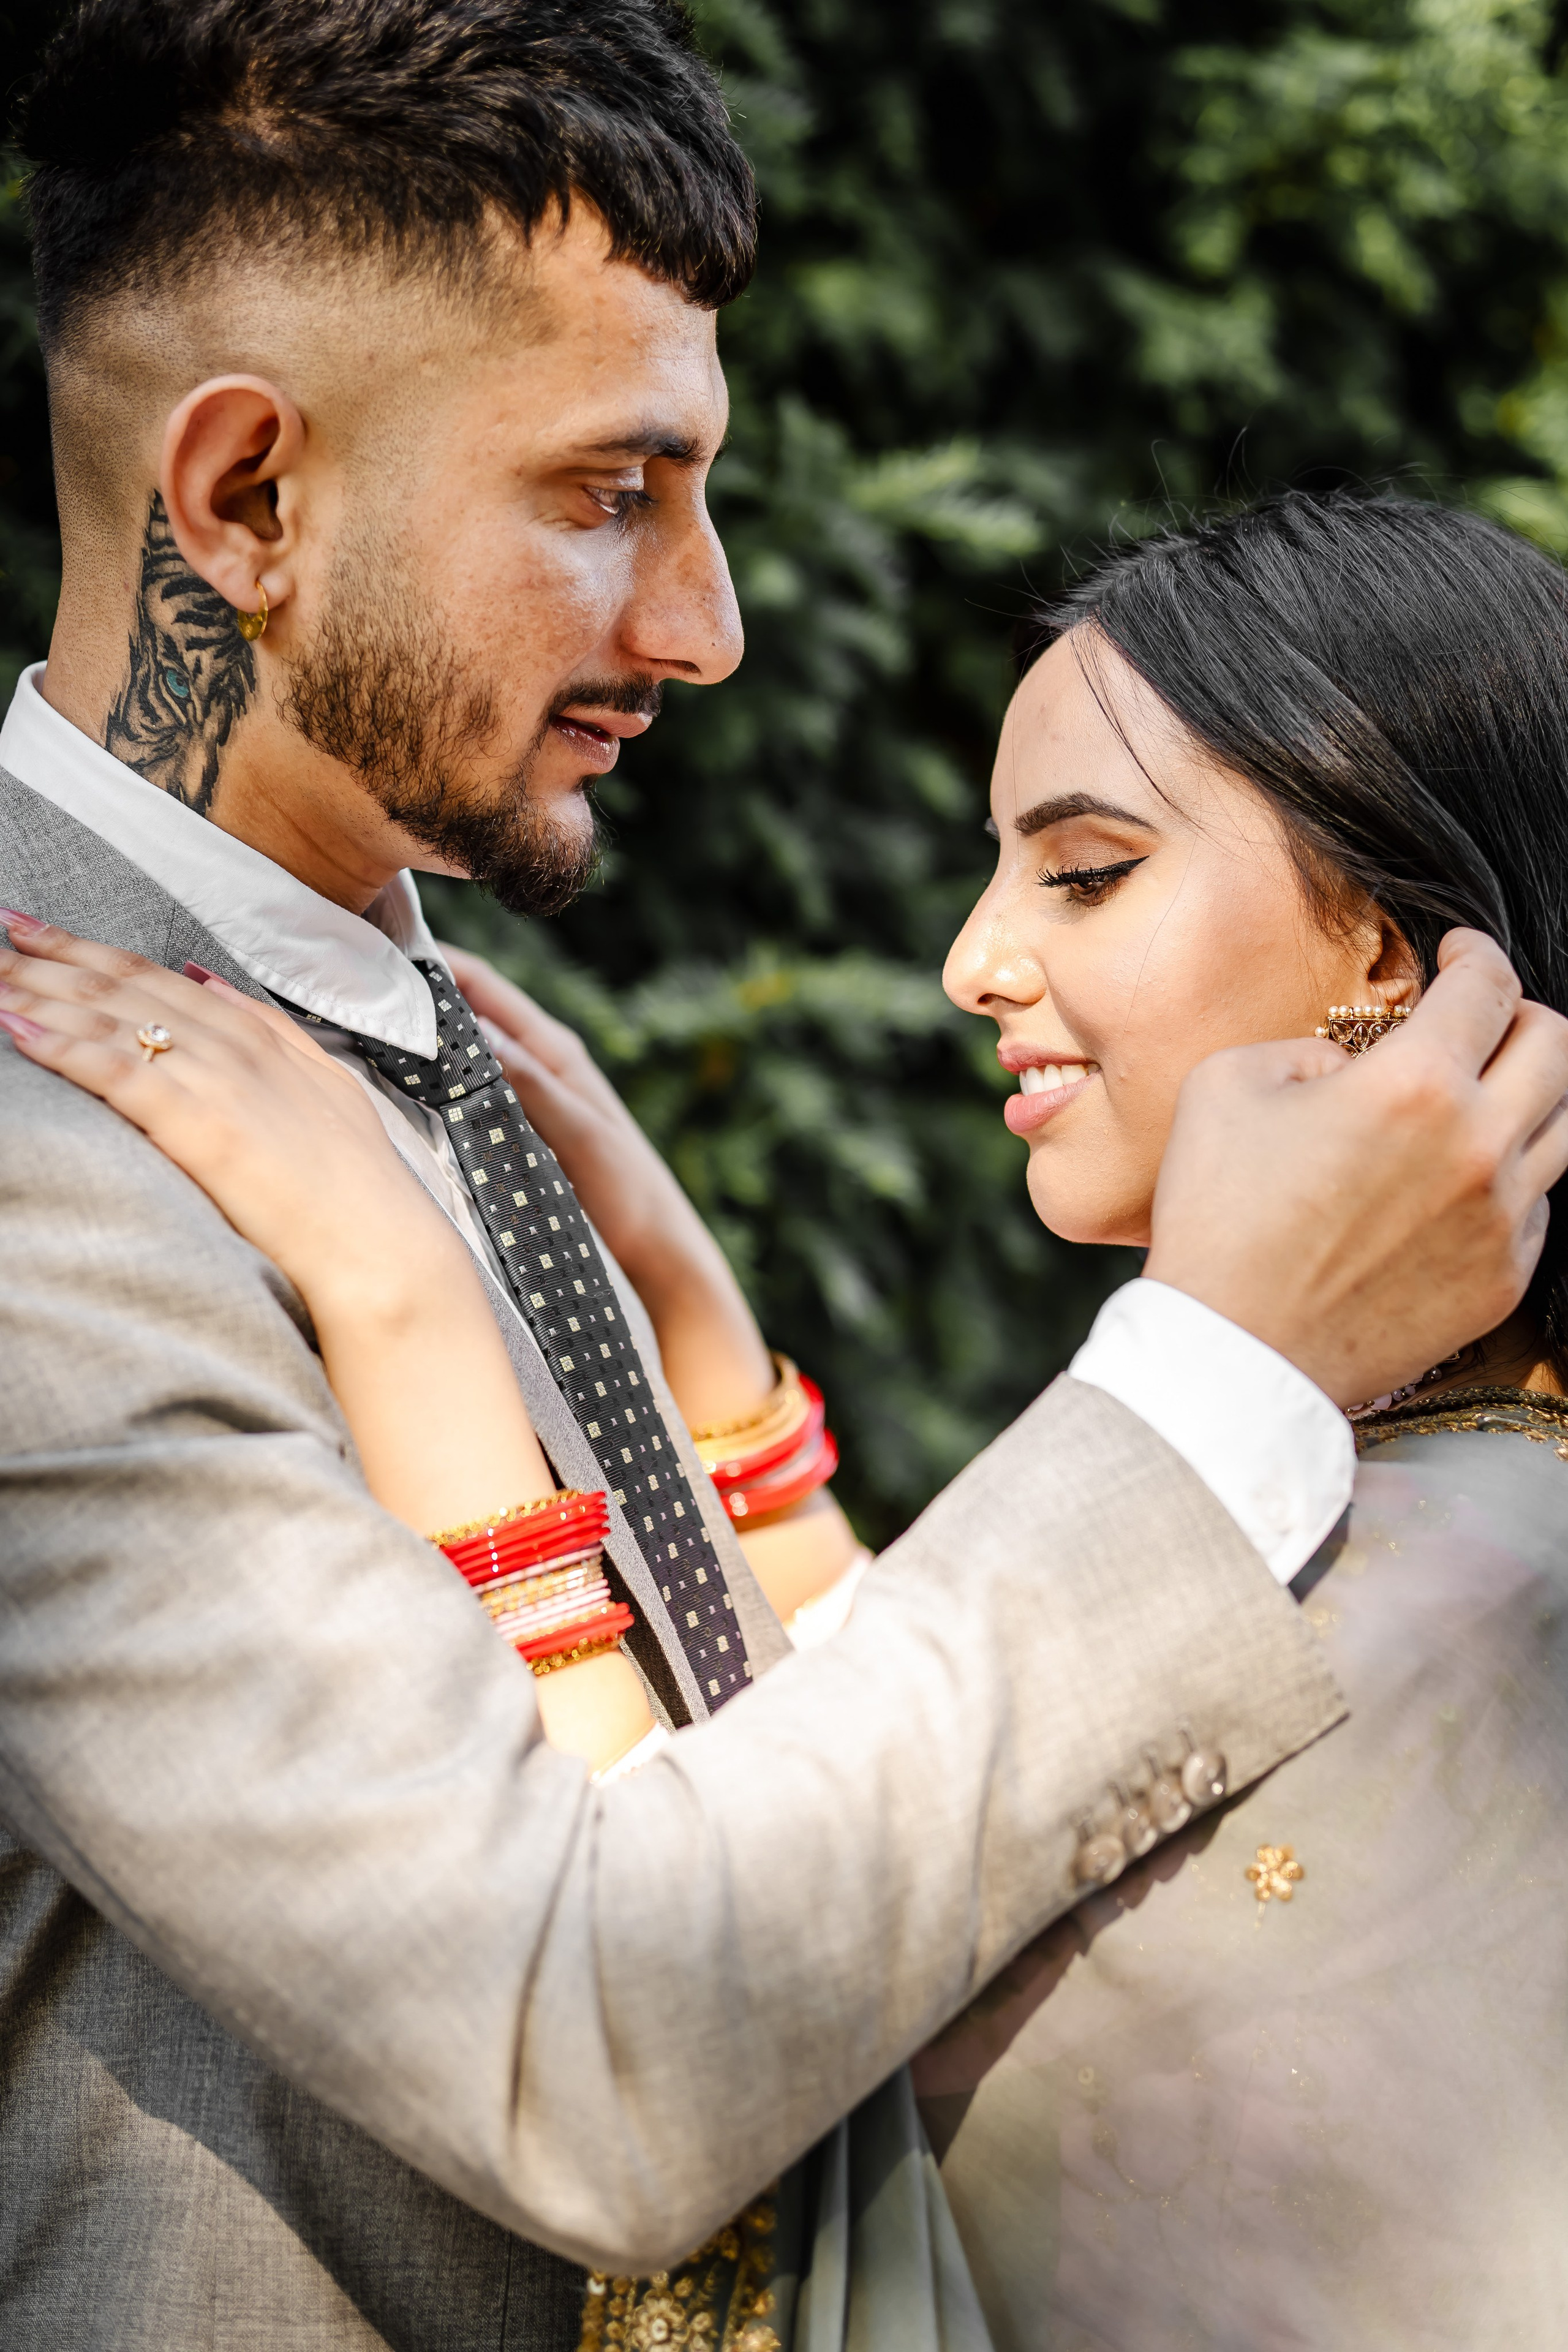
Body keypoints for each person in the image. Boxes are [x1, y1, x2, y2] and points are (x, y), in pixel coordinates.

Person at [0, 0, 1562, 2342]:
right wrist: (1226, 1366)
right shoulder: (46, 1173)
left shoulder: (480, 1073)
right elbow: (596, 2037)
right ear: (249, 503)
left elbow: (787, 1816)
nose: (708, 626)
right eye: (607, 493)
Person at [919, 488, 1568, 2350]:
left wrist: (415, 1332)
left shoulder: (1435, 1600)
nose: (977, 960)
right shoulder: (1389, 1495)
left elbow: (750, 2001)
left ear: (1385, 945)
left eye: (1084, 870)